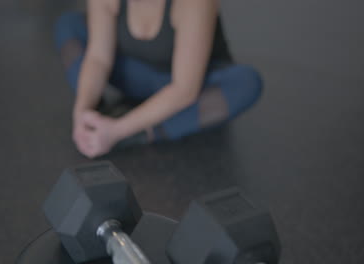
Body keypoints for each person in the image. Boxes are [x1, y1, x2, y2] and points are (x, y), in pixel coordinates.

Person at [55, 0, 263, 158]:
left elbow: (185, 89)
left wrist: (117, 131)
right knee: (69, 24)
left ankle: (140, 132)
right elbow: (98, 59)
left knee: (247, 83)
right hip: (135, 76)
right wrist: (82, 110)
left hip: (191, 90)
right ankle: (96, 118)